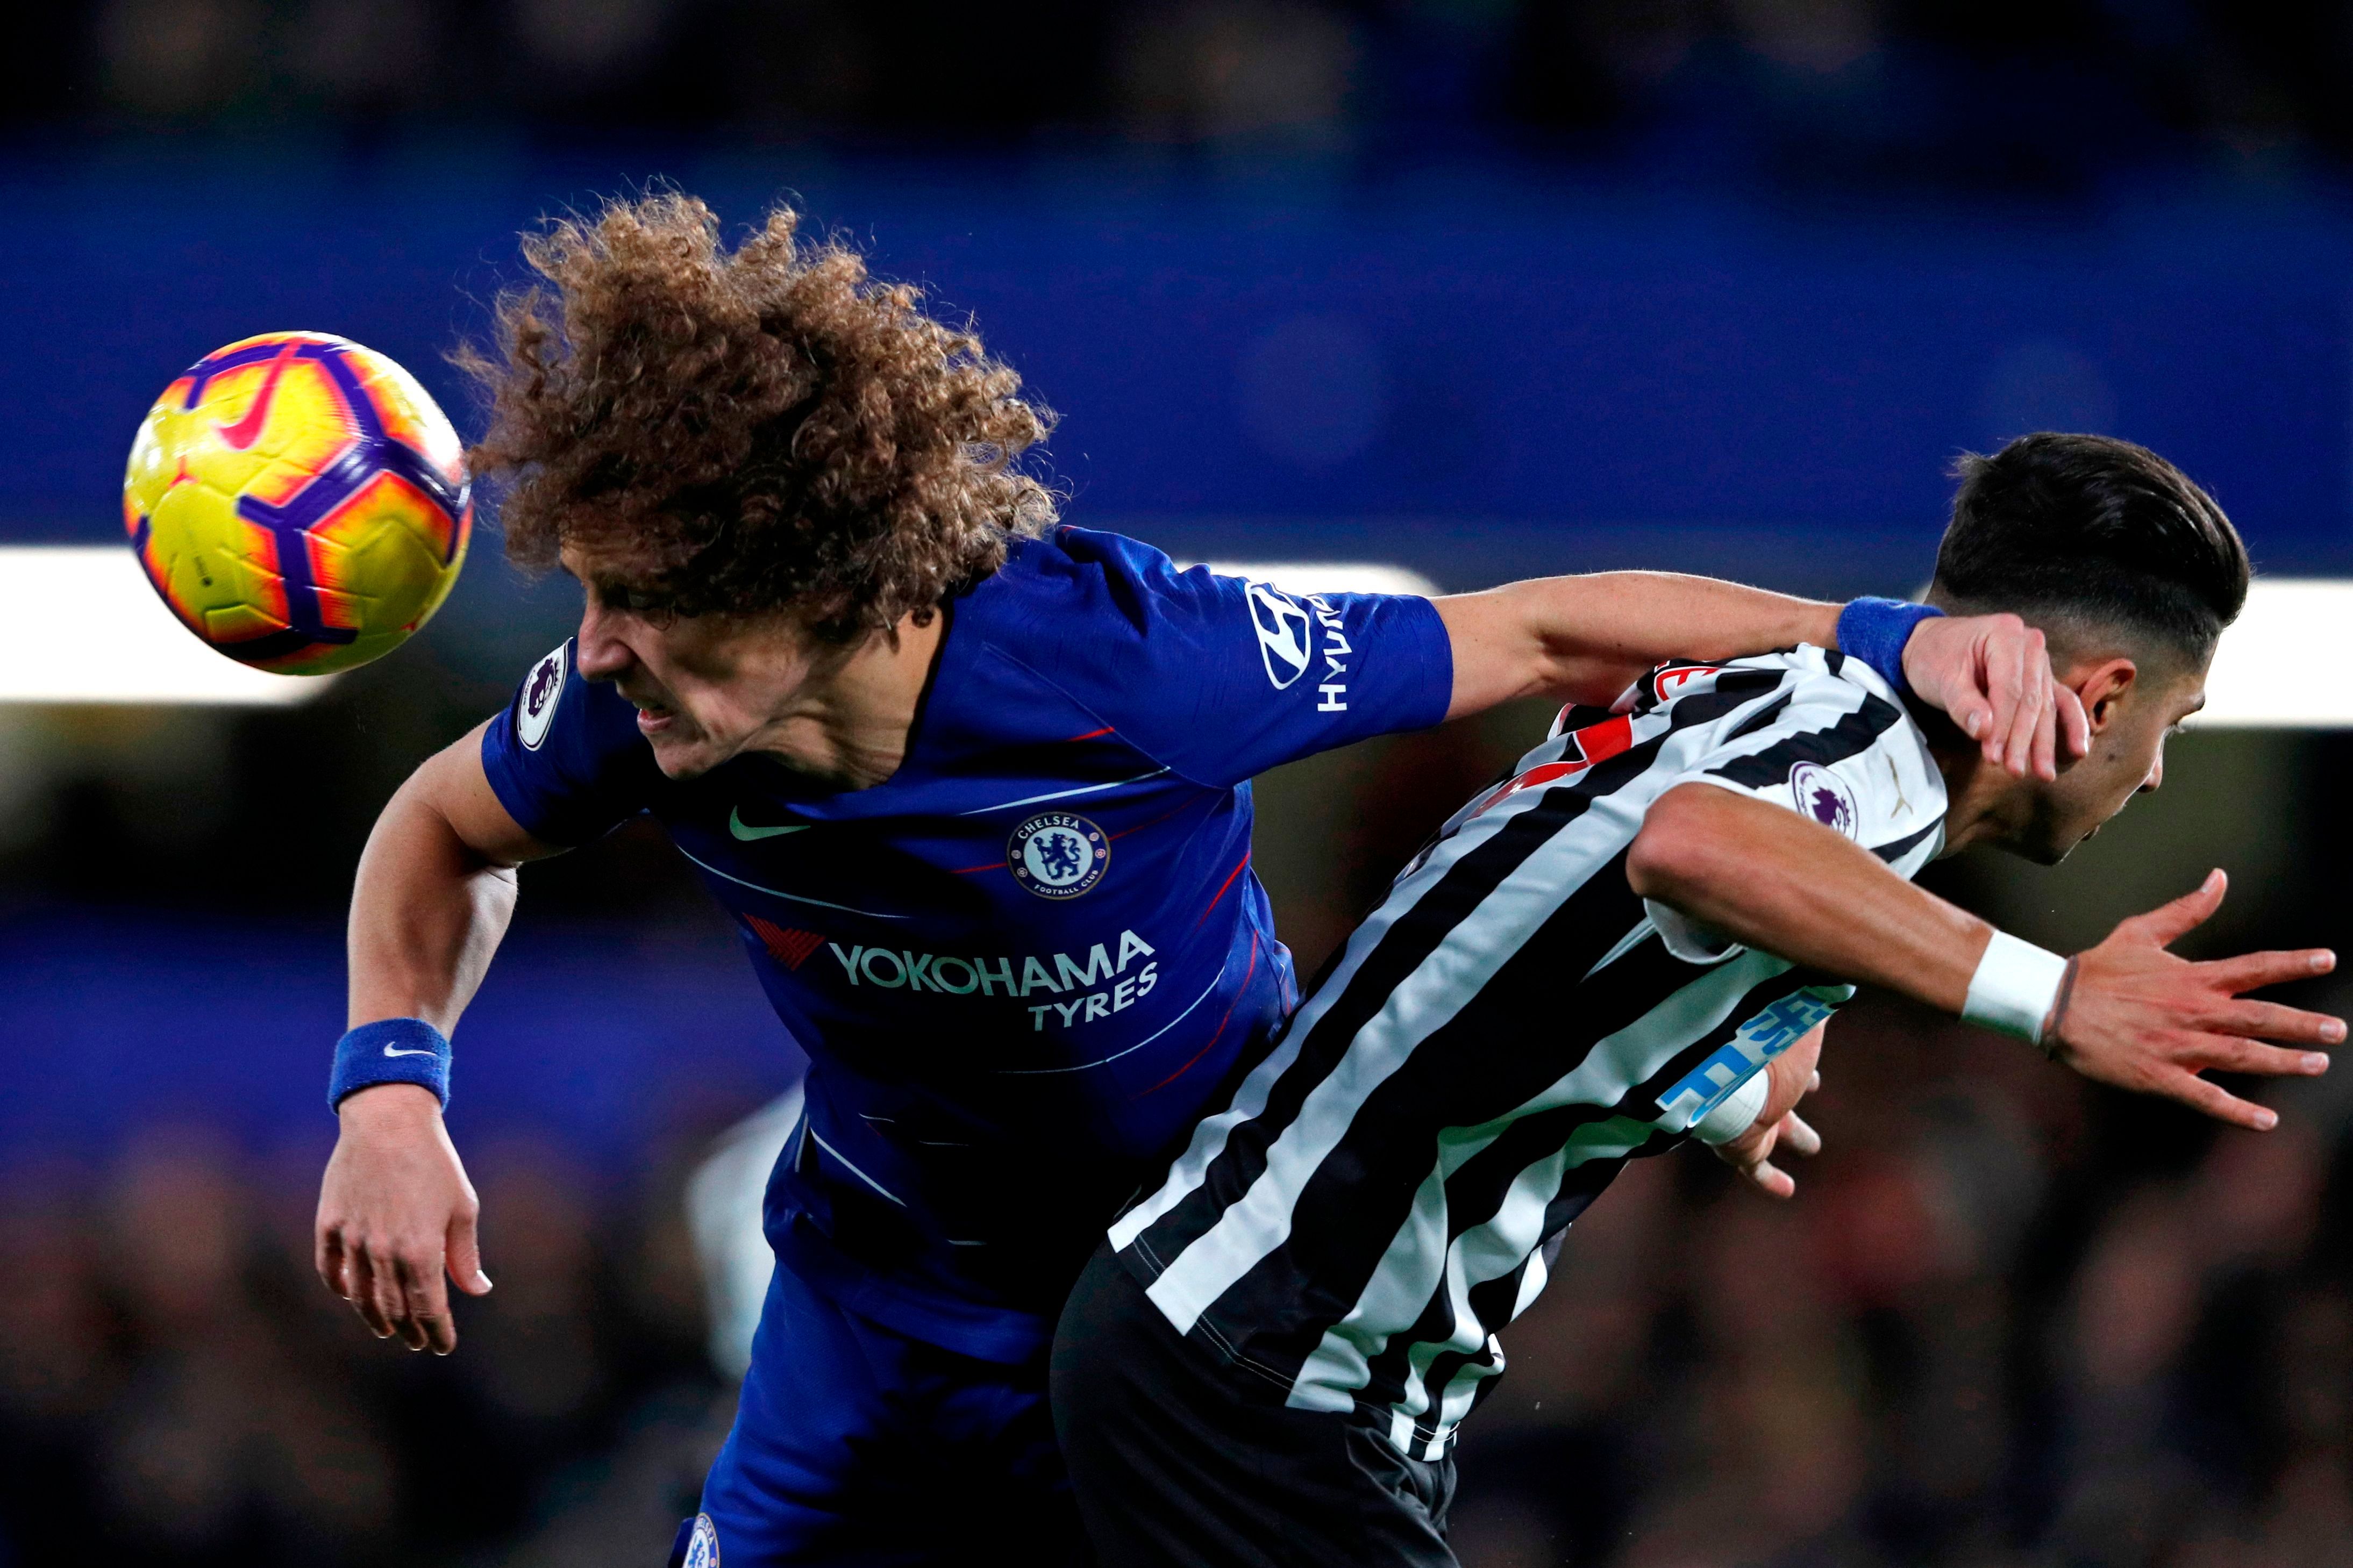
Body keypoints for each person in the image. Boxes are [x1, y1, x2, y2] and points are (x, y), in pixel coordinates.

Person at [310, 194, 2077, 1567]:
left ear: (828, 581)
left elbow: (1534, 632)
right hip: (870, 1307)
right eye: (593, 594)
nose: (599, 648)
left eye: (651, 608)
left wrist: (1873, 637)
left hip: (1175, 1313)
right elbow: (436, 829)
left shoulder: (1129, 661)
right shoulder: (630, 717)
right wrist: (391, 1084)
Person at [1051, 431, 2347, 1568]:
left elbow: (1596, 877)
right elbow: (1689, 842)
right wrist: (2052, 995)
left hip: (1253, 1359)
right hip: (1262, 1368)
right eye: (2172, 725)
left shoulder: (1781, 684)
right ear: (2104, 695)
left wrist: (1718, 1058)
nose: (2161, 773)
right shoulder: (1872, 762)